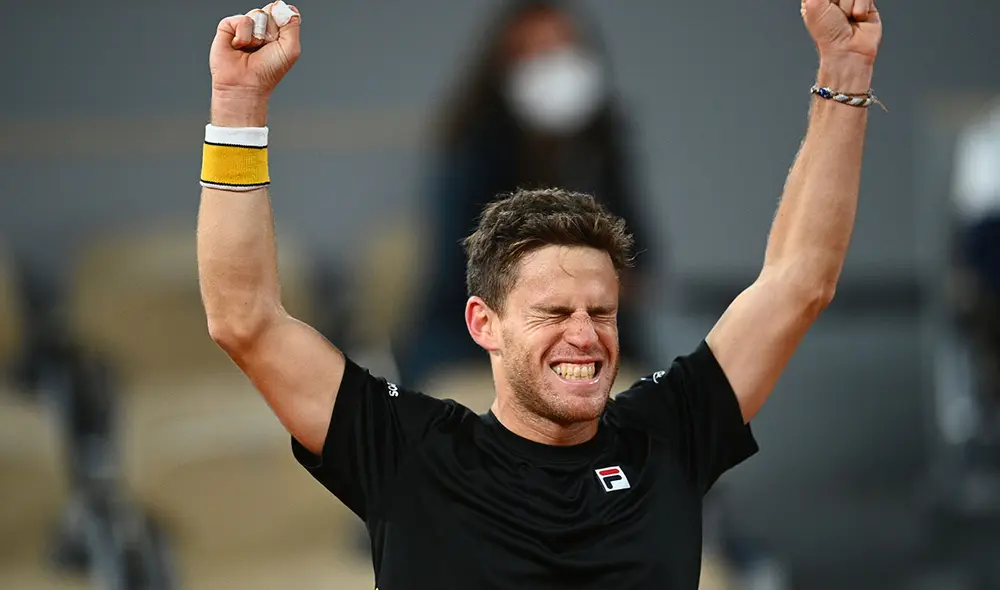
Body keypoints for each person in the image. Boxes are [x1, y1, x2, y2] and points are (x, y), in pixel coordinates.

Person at [196, 1, 883, 587]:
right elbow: (244, 320)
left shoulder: (667, 436)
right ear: (483, 322)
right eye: (553, 313)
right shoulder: (410, 452)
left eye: (601, 312)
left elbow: (799, 281)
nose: (585, 335)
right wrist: (238, 105)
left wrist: (845, 73)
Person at [398, 0, 656, 388]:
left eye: (562, 50)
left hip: (596, 335)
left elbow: (642, 256)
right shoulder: (474, 146)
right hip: (467, 340)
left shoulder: (601, 148)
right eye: (536, 54)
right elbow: (462, 267)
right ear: (503, 68)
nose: (552, 66)